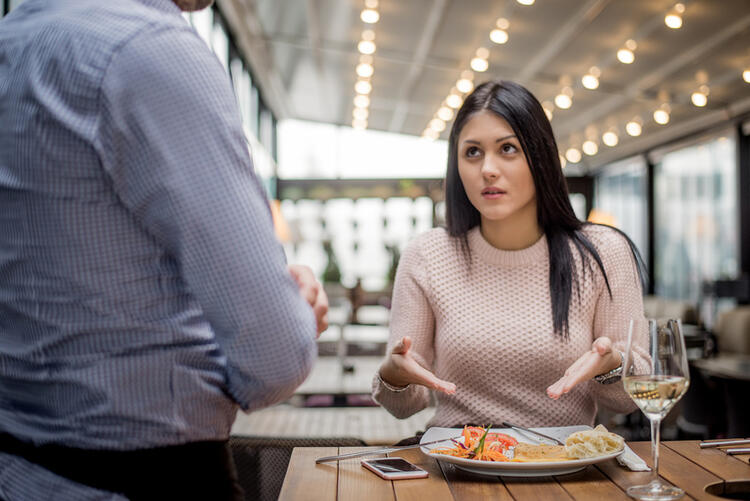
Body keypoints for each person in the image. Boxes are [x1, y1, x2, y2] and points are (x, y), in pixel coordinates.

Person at [0, 0, 327, 499]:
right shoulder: (148, 50)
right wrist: (294, 314)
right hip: (152, 477)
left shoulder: (15, 39)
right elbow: (274, 357)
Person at [372, 80, 650, 431]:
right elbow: (405, 406)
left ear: (540, 156)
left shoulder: (603, 252)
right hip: (458, 466)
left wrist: (612, 364)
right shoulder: (427, 255)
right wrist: (393, 376)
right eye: (472, 152)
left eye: (507, 148)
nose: (487, 168)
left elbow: (628, 401)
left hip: (566, 469)